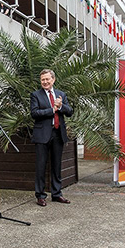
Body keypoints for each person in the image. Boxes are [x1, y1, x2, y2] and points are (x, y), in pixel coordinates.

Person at [30, 69, 74, 206]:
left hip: (57, 134)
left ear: (53, 79)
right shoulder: (35, 95)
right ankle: (40, 195)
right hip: (42, 135)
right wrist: (52, 110)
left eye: (47, 79)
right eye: (42, 79)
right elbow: (34, 113)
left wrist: (60, 107)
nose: (45, 82)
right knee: (41, 166)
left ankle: (56, 194)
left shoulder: (61, 94)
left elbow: (70, 112)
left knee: (56, 166)